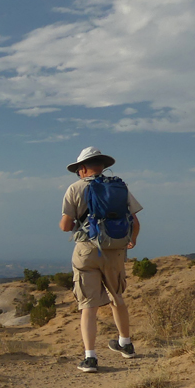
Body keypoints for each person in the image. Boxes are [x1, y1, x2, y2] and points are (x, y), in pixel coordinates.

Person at [58, 147, 143, 374]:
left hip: (87, 251)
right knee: (117, 297)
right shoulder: (119, 187)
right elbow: (135, 221)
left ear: (83, 168)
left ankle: (90, 358)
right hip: (115, 250)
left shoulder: (75, 189)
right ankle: (126, 344)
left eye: (78, 170)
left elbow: (66, 225)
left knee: (88, 305)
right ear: (102, 166)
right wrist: (131, 240)